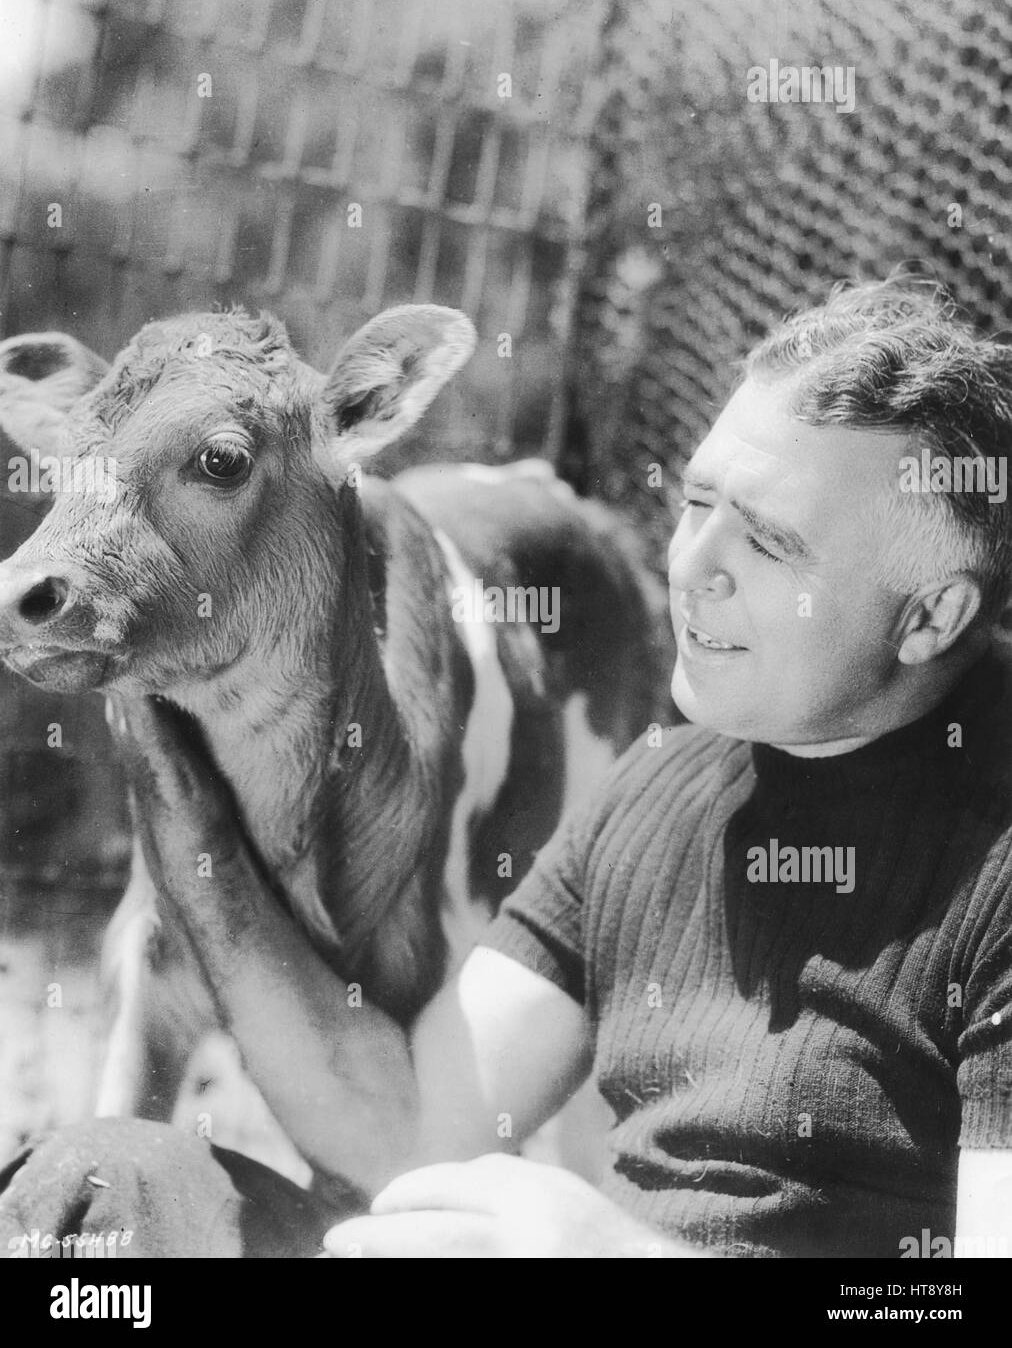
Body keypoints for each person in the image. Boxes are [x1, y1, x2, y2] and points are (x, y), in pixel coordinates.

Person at [3, 274, 1011, 1258]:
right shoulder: (655, 792)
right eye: (699, 502)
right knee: (99, 1185)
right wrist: (170, 750)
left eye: (770, 543)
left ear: (930, 615)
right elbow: (402, 1130)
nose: (694, 566)